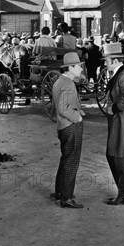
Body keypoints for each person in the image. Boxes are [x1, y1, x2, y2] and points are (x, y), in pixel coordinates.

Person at [102, 42, 124, 205]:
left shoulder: (123, 76)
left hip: (121, 119)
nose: (104, 63)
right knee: (115, 154)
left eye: (106, 60)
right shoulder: (119, 73)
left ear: (115, 60)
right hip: (118, 118)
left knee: (120, 155)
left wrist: (114, 108)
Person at [51, 52, 86, 208]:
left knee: (65, 159)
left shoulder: (59, 81)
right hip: (71, 127)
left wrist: (78, 110)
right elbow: (63, 108)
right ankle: (67, 197)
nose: (80, 68)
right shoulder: (68, 84)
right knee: (72, 161)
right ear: (70, 68)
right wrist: (77, 117)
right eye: (78, 66)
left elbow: (63, 105)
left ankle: (59, 192)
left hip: (62, 126)